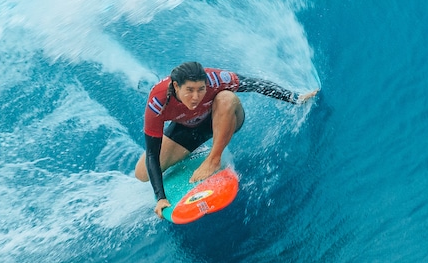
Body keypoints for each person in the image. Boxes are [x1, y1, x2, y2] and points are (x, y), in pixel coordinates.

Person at [134, 61, 319, 217]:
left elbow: (255, 84)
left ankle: (213, 159)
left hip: (225, 118)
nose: (196, 96)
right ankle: (192, 152)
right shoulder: (157, 102)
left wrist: (295, 98)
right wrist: (161, 198)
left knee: (226, 98)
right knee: (142, 173)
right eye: (189, 90)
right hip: (188, 129)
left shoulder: (215, 79)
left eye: (201, 89)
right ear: (176, 86)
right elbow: (152, 152)